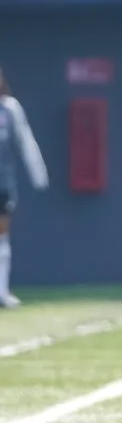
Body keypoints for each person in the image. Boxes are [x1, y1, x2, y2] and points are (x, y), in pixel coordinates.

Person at [0, 69, 49, 310]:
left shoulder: (9, 108)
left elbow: (25, 140)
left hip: (2, 183)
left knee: (1, 235)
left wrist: (38, 174)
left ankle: (2, 291)